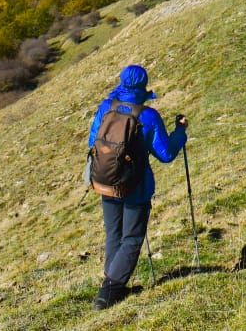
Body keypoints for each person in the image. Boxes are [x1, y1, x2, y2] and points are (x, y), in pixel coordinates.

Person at [86, 64, 188, 310]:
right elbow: (165, 154)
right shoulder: (147, 116)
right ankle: (108, 292)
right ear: (143, 85)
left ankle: (114, 287)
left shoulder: (105, 107)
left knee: (114, 234)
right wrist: (180, 132)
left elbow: (92, 142)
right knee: (132, 238)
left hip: (105, 181)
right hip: (136, 187)